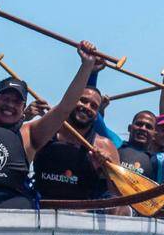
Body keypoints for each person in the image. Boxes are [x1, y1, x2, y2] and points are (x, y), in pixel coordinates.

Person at [0, 42, 104, 208]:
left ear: (23, 108)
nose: (9, 105)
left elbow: (65, 107)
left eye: (16, 102)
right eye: (5, 99)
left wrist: (87, 66)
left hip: (9, 210)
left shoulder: (30, 134)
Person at [33, 86, 130, 215]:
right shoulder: (43, 131)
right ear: (70, 101)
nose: (87, 107)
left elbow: (118, 194)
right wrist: (25, 116)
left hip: (83, 214)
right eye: (83, 101)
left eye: (94, 106)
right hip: (40, 207)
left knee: (121, 209)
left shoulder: (104, 146)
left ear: (96, 116)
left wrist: (107, 170)